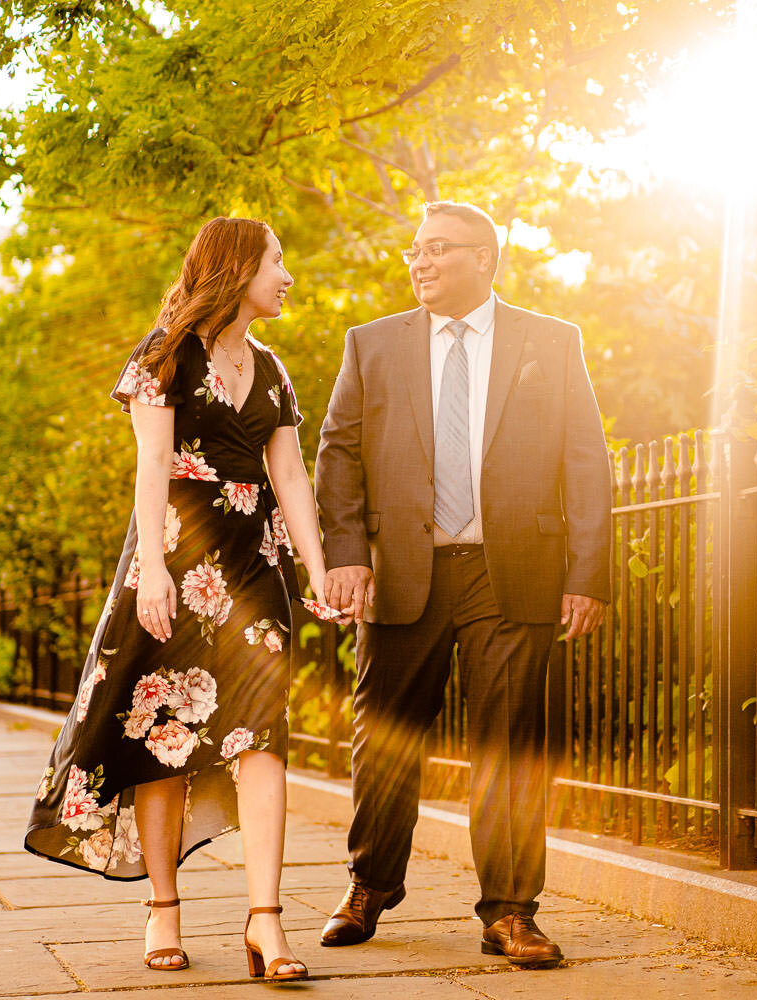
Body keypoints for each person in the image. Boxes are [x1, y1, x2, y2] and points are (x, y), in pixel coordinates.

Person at [25, 217, 324, 982]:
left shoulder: (274, 369)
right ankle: (164, 907)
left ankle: (266, 921)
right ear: (237, 269)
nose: (287, 275)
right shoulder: (161, 357)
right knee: (165, 734)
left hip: (255, 573)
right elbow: (151, 466)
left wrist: (317, 573)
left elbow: (290, 479)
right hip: (173, 565)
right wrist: (153, 569)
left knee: (262, 737)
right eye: (277, 262)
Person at [314, 201, 611, 967]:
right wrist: (346, 552)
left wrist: (588, 574)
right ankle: (370, 885)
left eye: (437, 249)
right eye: (413, 250)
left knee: (509, 743)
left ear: (485, 258)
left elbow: (586, 458)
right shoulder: (371, 345)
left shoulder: (552, 340)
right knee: (384, 739)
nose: (419, 262)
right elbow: (338, 449)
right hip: (400, 572)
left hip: (511, 571)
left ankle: (511, 912)